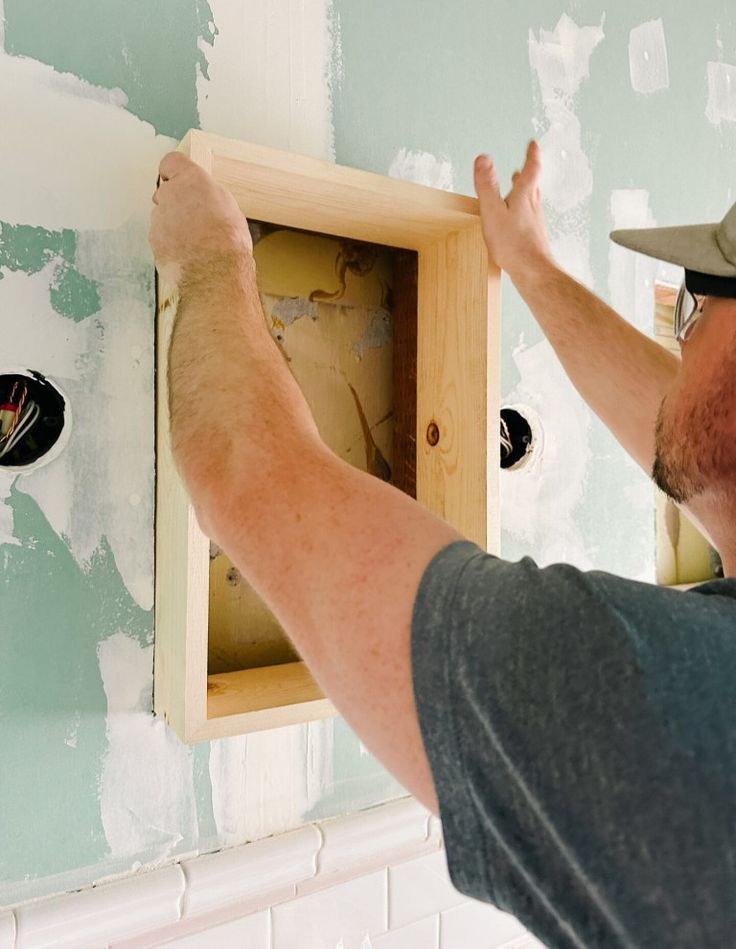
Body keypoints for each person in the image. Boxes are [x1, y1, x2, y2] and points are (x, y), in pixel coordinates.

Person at [150, 141, 736, 949]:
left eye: (694, 313)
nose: (682, 343)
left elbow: (246, 470)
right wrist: (530, 267)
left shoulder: (663, 696)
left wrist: (210, 260)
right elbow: (710, 431)